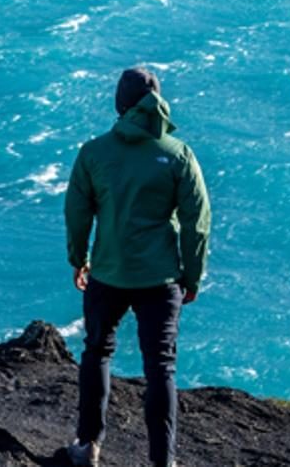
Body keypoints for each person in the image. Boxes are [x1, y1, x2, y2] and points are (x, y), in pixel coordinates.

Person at [64, 67, 211, 467]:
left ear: (119, 104)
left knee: (96, 353)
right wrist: (192, 275)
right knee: (161, 367)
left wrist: (79, 259)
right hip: (161, 279)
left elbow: (77, 212)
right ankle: (163, 462)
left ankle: (88, 445)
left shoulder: (94, 152)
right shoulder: (178, 154)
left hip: (107, 273)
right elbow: (197, 223)